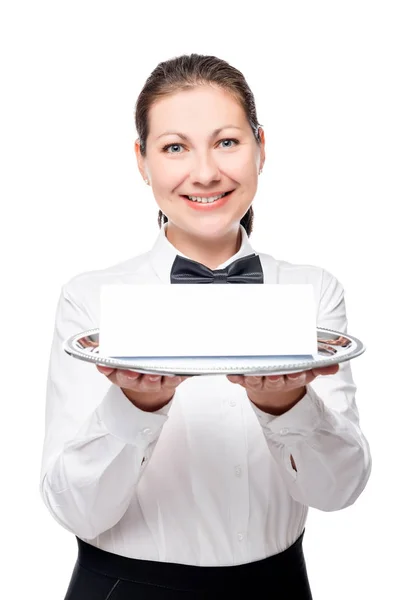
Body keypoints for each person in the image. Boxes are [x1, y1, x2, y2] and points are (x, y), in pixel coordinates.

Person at [40, 53, 372, 599]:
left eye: (226, 142)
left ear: (261, 148)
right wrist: (134, 407)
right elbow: (72, 509)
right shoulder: (89, 300)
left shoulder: (314, 292)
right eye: (175, 147)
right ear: (142, 161)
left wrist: (289, 406)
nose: (205, 172)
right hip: (125, 588)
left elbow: (339, 492)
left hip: (278, 588)